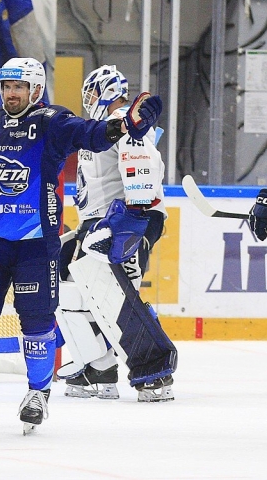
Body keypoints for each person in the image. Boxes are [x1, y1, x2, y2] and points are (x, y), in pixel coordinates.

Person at [0, 57, 163, 435]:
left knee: (38, 323)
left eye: (20, 87)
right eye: (7, 86)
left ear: (36, 89)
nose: (12, 93)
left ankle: (37, 394)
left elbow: (92, 133)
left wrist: (125, 124)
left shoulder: (52, 121)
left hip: (36, 245)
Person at [56, 65, 176, 403]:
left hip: (124, 220)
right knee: (70, 287)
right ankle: (98, 365)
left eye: (92, 93)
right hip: (100, 223)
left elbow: (141, 160)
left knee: (115, 296)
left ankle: (154, 368)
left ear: (105, 90)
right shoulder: (100, 129)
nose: (89, 100)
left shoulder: (127, 119)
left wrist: (132, 221)